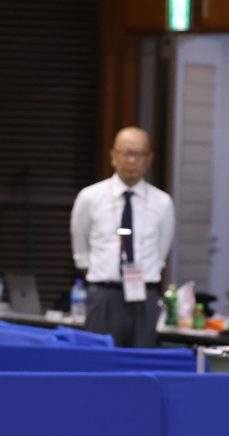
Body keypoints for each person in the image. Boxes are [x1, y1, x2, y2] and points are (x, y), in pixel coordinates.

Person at [70, 126, 175, 348]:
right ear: (113, 156)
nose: (131, 160)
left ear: (149, 159)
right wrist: (98, 275)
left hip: (144, 294)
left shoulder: (162, 202)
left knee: (141, 364)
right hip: (104, 294)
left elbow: (160, 253)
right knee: (99, 362)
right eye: (126, 153)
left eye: (138, 154)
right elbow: (80, 249)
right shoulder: (90, 197)